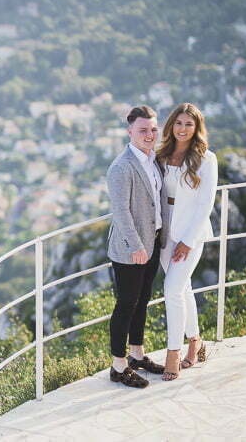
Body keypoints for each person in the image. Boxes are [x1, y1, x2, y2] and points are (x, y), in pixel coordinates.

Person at [105, 105, 169, 388]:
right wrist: (136, 245)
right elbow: (121, 212)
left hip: (153, 240)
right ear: (129, 131)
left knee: (142, 301)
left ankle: (136, 355)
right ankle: (118, 367)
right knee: (126, 304)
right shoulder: (121, 167)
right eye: (143, 130)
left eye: (153, 129)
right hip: (131, 248)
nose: (149, 134)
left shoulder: (154, 159)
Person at [156, 103, 217, 381]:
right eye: (178, 123)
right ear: (172, 126)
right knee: (183, 289)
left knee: (171, 290)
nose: (182, 129)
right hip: (163, 235)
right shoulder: (161, 155)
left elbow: (205, 205)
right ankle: (196, 342)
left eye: (188, 124)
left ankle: (173, 353)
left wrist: (188, 241)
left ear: (196, 128)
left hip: (189, 236)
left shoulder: (207, 159)